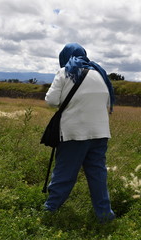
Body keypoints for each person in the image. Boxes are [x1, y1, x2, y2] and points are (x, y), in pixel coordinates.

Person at [43, 43, 115, 223]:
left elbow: (51, 101)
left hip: (74, 133)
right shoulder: (100, 74)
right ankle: (105, 215)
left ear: (65, 56)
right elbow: (106, 101)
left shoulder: (65, 72)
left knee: (64, 174)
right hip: (100, 133)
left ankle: (50, 210)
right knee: (98, 175)